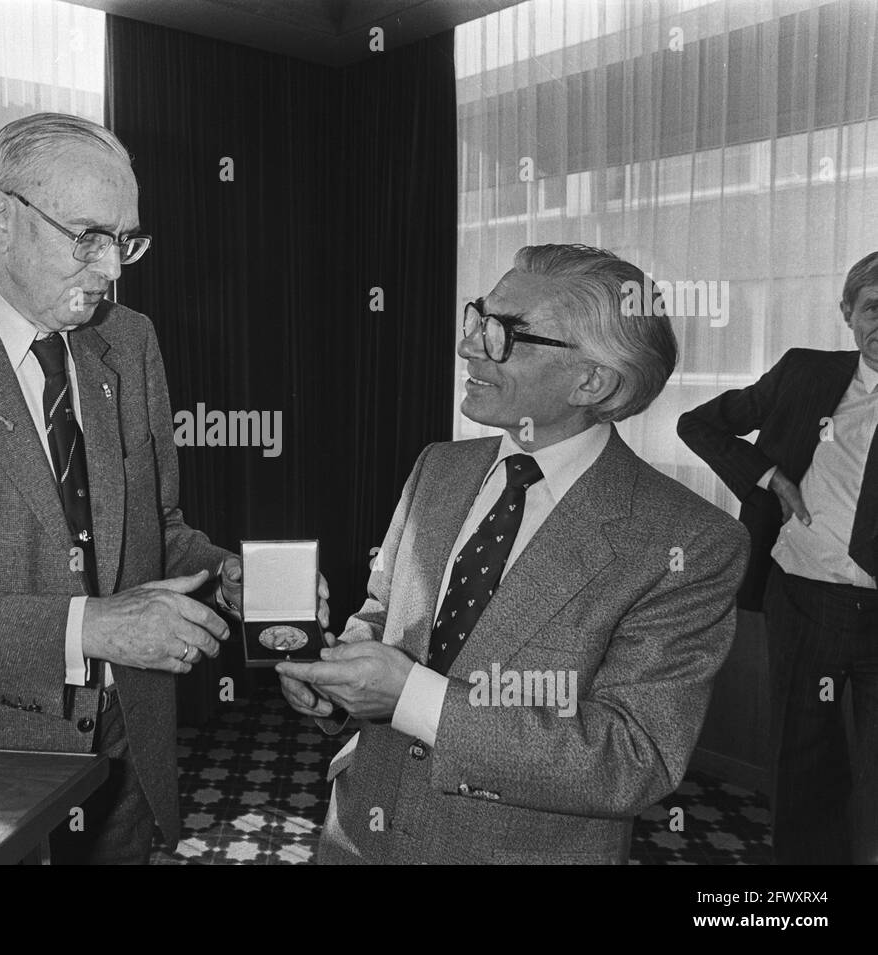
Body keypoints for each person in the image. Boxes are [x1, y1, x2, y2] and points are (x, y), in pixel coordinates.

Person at [0, 112, 323, 864]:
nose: (113, 266)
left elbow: (156, 525)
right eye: (87, 235)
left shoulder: (129, 339)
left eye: (127, 239)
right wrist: (89, 629)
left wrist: (224, 574)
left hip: (123, 757)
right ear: (2, 216)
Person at [278, 244, 748, 864]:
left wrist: (410, 697)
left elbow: (631, 760)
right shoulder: (438, 468)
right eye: (476, 318)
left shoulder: (688, 542)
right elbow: (383, 616)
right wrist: (337, 686)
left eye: (503, 334)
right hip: (358, 836)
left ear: (592, 380)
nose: (468, 345)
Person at [677, 252, 878, 865]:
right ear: (848, 314)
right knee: (804, 757)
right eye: (874, 307)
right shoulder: (805, 374)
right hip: (805, 597)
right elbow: (699, 424)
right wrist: (769, 477)